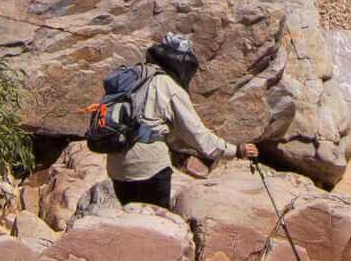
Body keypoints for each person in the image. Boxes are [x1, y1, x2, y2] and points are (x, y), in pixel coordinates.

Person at [103, 32, 257, 210]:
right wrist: (236, 150)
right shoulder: (169, 85)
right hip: (149, 168)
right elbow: (196, 134)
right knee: (155, 224)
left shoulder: (133, 76)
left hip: (116, 166)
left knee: (130, 221)